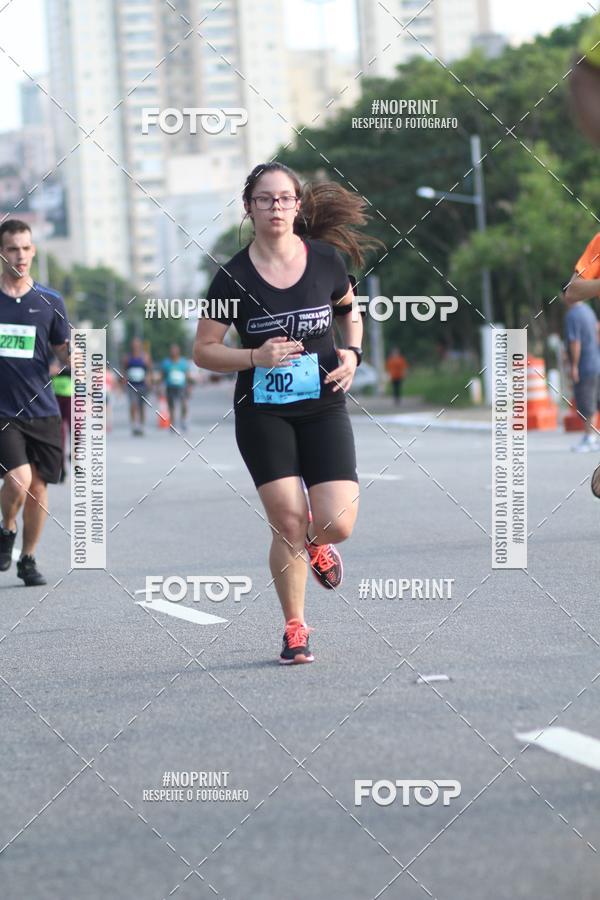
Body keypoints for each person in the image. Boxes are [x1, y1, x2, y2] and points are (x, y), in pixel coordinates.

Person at [194, 162, 382, 664]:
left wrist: (353, 353)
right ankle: (295, 628)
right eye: (264, 199)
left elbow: (348, 309)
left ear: (297, 206)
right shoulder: (232, 277)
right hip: (263, 411)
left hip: (322, 405)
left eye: (284, 199)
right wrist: (256, 356)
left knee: (336, 523)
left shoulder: (324, 260)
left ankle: (318, 544)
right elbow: (205, 351)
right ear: (249, 208)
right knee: (287, 520)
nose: (275, 208)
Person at [0, 219, 70, 586]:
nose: (21, 255)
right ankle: (7, 527)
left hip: (42, 408)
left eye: (26, 248)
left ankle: (27, 558)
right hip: (3, 410)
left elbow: (63, 349)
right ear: (1, 252)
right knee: (19, 478)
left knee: (39, 488)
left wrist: (84, 355)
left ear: (34, 251)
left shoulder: (49, 300)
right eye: (13, 248)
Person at [564, 235, 600, 452]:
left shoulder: (573, 317)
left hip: (587, 364)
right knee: (589, 403)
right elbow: (573, 290)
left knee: (588, 403)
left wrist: (573, 366)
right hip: (593, 363)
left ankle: (589, 437)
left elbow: (575, 342)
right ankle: (590, 437)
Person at [122, 336, 152, 436]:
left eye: (137, 344)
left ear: (140, 346)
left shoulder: (145, 357)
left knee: (142, 406)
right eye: (134, 345)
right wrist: (123, 382)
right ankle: (134, 425)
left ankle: (142, 425)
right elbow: (124, 370)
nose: (135, 346)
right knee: (133, 405)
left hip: (142, 385)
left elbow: (149, 370)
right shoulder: (127, 357)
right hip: (131, 385)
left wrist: (149, 380)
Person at [160, 343, 192, 431]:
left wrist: (189, 387)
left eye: (175, 350)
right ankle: (173, 423)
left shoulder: (183, 362)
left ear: (178, 351)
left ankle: (183, 420)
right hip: (170, 387)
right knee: (172, 406)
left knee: (184, 404)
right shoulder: (166, 363)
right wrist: (159, 387)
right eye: (172, 350)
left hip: (182, 386)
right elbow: (162, 376)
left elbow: (187, 375)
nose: (174, 352)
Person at [50, 356, 72, 482]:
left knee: (76, 432)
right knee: (61, 436)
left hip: (72, 399)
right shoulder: (53, 358)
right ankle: (62, 468)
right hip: (56, 399)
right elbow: (49, 373)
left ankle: (74, 455)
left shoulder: (74, 358)